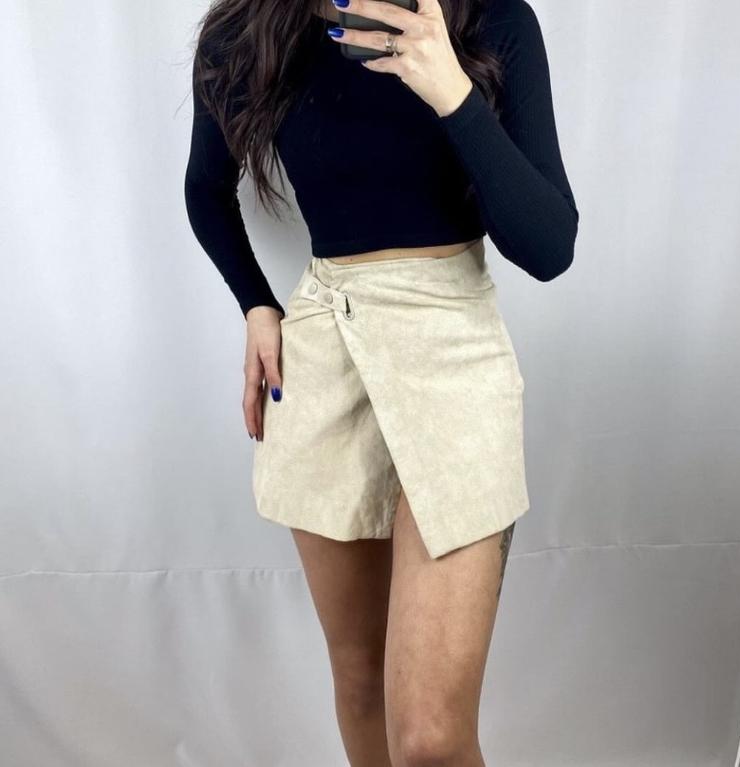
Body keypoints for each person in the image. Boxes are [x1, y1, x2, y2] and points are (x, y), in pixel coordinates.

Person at [184, 0, 578, 763]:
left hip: (453, 350)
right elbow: (206, 188)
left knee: (431, 737)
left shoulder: (491, 19)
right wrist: (257, 304)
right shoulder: (253, 25)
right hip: (323, 348)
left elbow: (548, 247)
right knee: (362, 681)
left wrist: (449, 89)